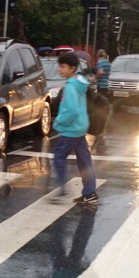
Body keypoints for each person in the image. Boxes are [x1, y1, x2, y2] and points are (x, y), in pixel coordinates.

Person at [53, 52, 99, 204]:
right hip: (80, 127)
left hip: (71, 129)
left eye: (63, 67)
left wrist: (58, 121)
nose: (60, 69)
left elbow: (71, 110)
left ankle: (62, 188)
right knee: (85, 161)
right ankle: (90, 193)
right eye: (59, 66)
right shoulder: (80, 82)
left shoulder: (71, 87)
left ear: (72, 68)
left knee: (59, 156)